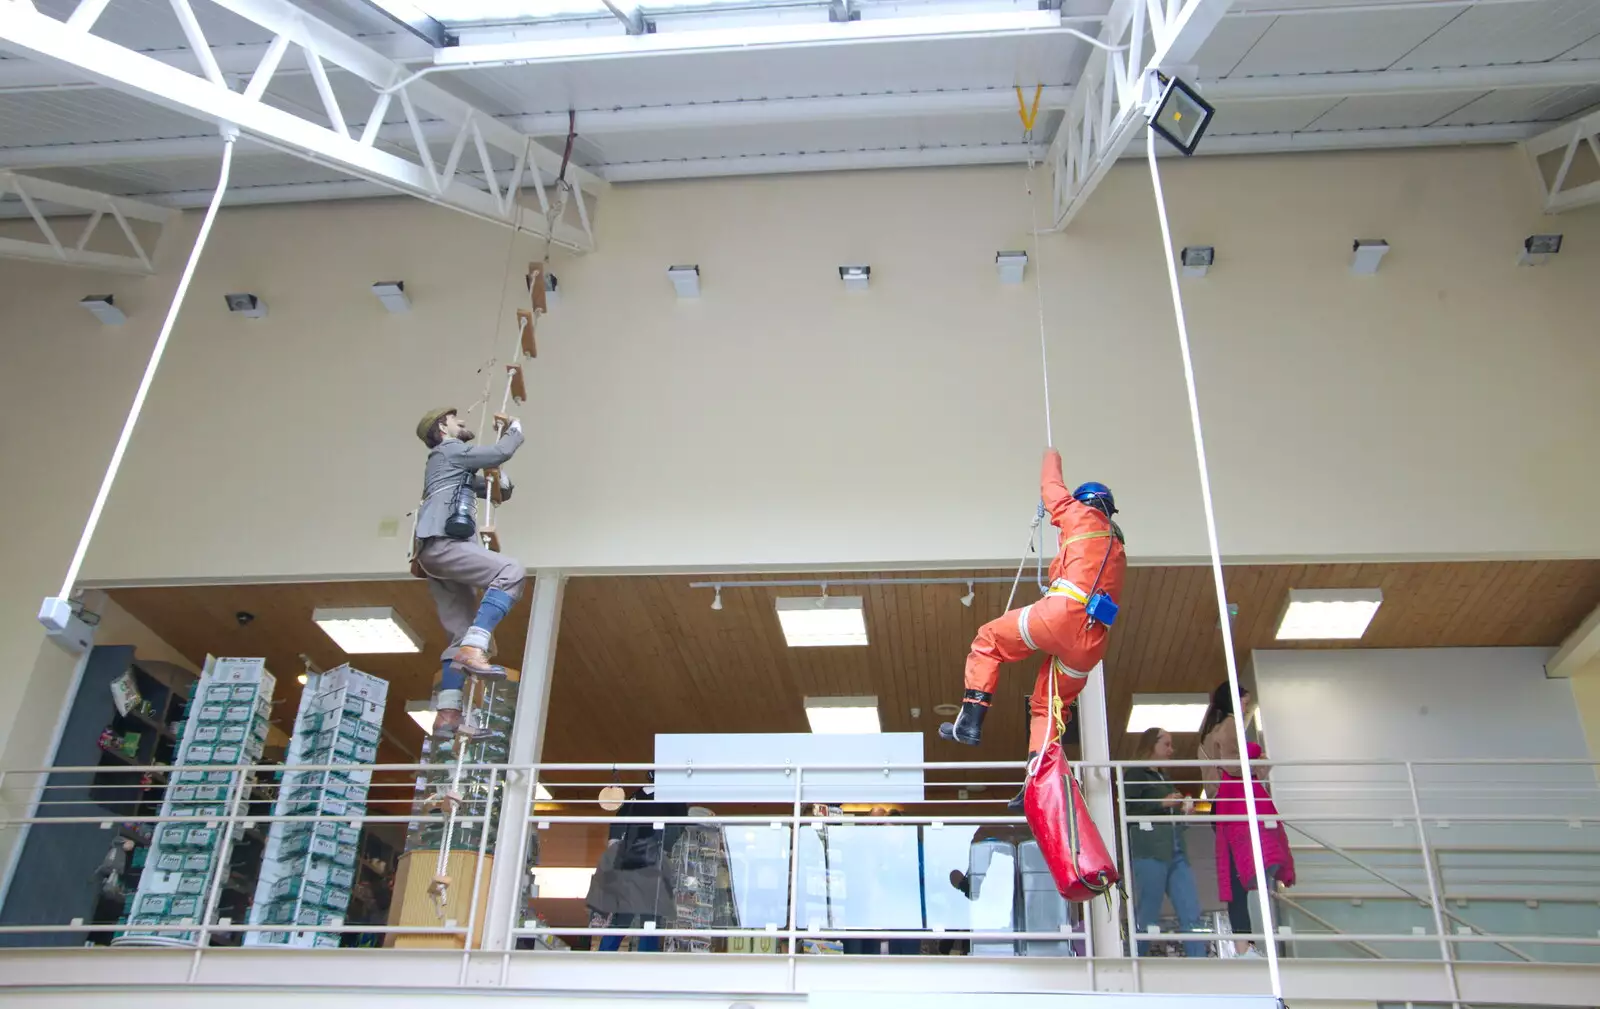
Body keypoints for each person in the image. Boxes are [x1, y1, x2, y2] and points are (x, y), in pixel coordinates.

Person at [939, 447, 1126, 809]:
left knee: (988, 640)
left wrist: (1050, 453)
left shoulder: (1079, 515)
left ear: (1086, 502)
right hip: (1092, 641)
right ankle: (1035, 784)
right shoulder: (1117, 547)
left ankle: (969, 722)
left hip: (1060, 614)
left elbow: (1050, 485)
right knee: (1047, 706)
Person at [412, 407, 527, 739]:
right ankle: (474, 648)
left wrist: (497, 477)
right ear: (442, 428)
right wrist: (514, 428)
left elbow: (498, 491)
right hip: (445, 544)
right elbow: (501, 449)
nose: (461, 422)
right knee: (511, 570)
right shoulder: (449, 450)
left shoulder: (449, 466)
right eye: (454, 419)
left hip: (434, 554)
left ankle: (448, 714)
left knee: (459, 632)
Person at [1197, 684, 1295, 957]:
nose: (1246, 707)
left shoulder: (1209, 731)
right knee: (1247, 873)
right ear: (1234, 701)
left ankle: (1245, 944)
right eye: (1244, 701)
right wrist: (1257, 758)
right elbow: (1232, 765)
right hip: (1235, 805)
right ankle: (1246, 945)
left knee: (1237, 877)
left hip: (1223, 804)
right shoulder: (1229, 725)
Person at [1124, 728, 1206, 958]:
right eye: (1167, 744)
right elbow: (1129, 808)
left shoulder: (1165, 778)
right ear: (1152, 745)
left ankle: (1200, 963)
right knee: (1148, 911)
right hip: (1150, 851)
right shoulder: (1135, 775)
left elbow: (1167, 808)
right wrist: (1162, 803)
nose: (1172, 750)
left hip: (1175, 849)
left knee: (1191, 911)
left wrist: (1183, 811)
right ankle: (1136, 962)